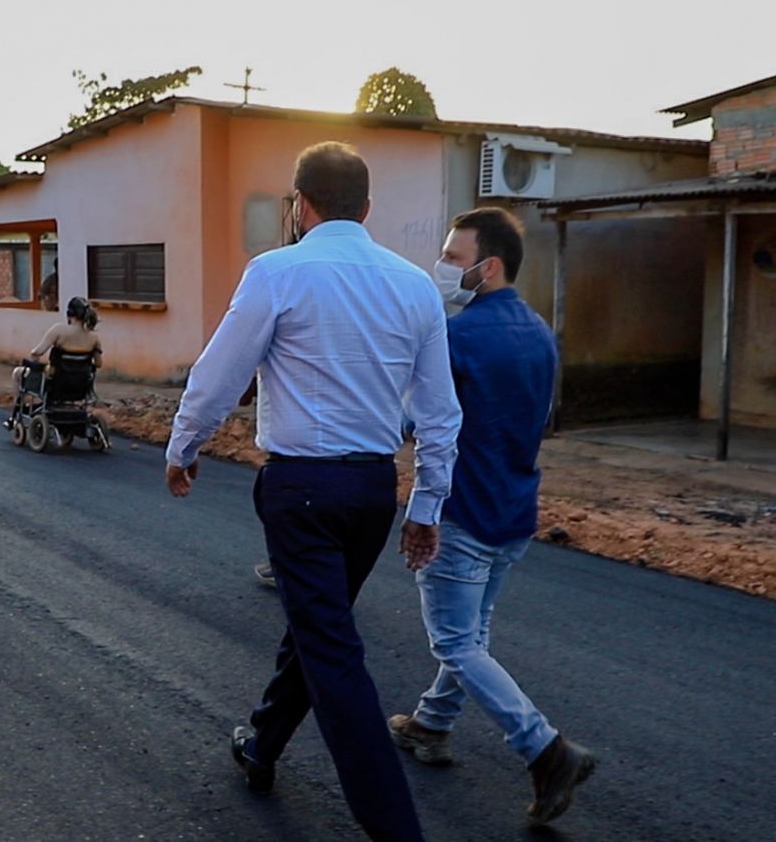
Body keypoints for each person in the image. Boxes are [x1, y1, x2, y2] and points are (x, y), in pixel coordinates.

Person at [165, 142, 460, 842]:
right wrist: (425, 505)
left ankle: (396, 829)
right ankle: (262, 744)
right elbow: (441, 414)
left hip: (299, 490)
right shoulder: (415, 285)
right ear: (366, 208)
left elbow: (216, 377)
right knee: (317, 626)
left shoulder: (276, 272)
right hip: (371, 493)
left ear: (299, 205)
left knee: (333, 651)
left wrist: (183, 449)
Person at [387, 208, 595, 824]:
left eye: (453, 258)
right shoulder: (539, 333)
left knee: (454, 638)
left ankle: (544, 749)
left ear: (490, 266)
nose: (443, 267)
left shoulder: (458, 338)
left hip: (461, 511)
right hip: (514, 509)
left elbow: (406, 422)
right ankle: (432, 723)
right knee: (473, 631)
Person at [6, 296, 101, 425]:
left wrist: (34, 359)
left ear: (69, 314)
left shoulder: (59, 330)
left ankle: (17, 413)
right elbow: (99, 364)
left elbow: (37, 352)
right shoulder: (94, 338)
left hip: (56, 383)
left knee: (18, 372)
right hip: (80, 385)